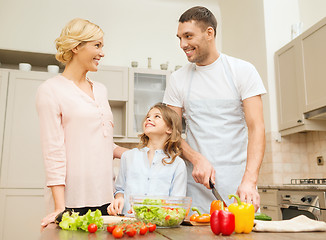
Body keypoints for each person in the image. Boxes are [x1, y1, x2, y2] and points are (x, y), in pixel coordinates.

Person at [163, 6, 266, 214]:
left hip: (238, 187)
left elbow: (257, 128)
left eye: (188, 36)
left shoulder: (242, 71)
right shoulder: (178, 79)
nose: (183, 44)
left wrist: (250, 181)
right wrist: (196, 158)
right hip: (196, 188)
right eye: (180, 38)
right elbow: (170, 132)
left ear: (209, 33)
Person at [36, 18, 128, 228]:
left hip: (107, 196)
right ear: (77, 47)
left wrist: (136, 154)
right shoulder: (51, 90)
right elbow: (53, 151)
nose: (102, 53)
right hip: (72, 200)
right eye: (97, 45)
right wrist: (60, 207)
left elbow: (100, 142)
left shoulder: (101, 90)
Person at [107, 103, 187, 216]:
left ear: (169, 128)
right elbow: (120, 189)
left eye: (157, 116)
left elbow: (177, 204)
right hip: (129, 223)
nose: (149, 118)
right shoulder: (128, 156)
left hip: (160, 226)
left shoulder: (178, 164)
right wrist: (119, 199)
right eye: (148, 116)